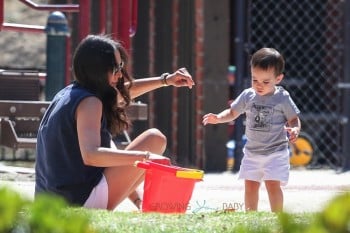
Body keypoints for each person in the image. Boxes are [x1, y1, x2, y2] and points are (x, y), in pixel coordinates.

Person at [35, 34, 195, 210]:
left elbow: (124, 94)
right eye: (116, 68)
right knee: (154, 140)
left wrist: (165, 80)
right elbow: (91, 155)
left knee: (138, 143)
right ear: (98, 69)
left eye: (121, 66)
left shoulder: (70, 93)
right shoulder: (90, 102)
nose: (120, 75)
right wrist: (146, 158)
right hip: (78, 202)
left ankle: (139, 202)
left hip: (52, 200)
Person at [202, 48, 301, 212]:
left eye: (265, 82)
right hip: (252, 152)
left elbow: (293, 118)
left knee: (272, 184)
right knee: (250, 185)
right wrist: (219, 118)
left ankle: (277, 216)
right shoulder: (248, 95)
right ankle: (251, 215)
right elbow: (233, 112)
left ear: (278, 78)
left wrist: (295, 129)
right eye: (255, 80)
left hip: (276, 152)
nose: (259, 85)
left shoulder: (282, 97)